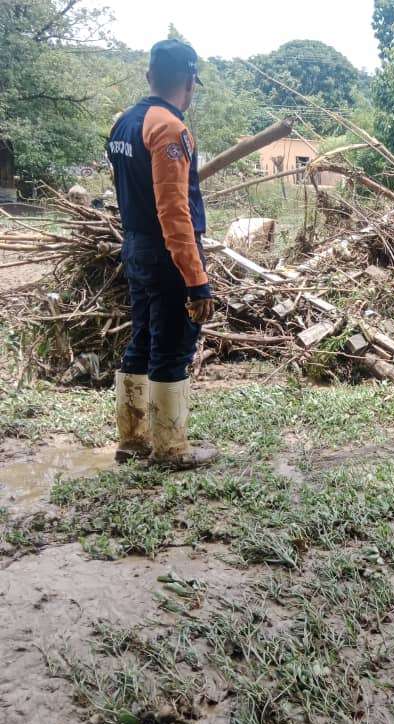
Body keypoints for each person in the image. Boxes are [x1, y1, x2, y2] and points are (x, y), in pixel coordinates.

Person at [106, 39, 218, 469]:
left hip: (135, 247)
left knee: (141, 340)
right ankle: (171, 450)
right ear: (190, 82)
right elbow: (174, 212)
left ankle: (132, 441)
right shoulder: (169, 129)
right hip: (168, 254)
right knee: (172, 345)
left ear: (149, 75)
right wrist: (197, 280)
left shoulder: (123, 124)